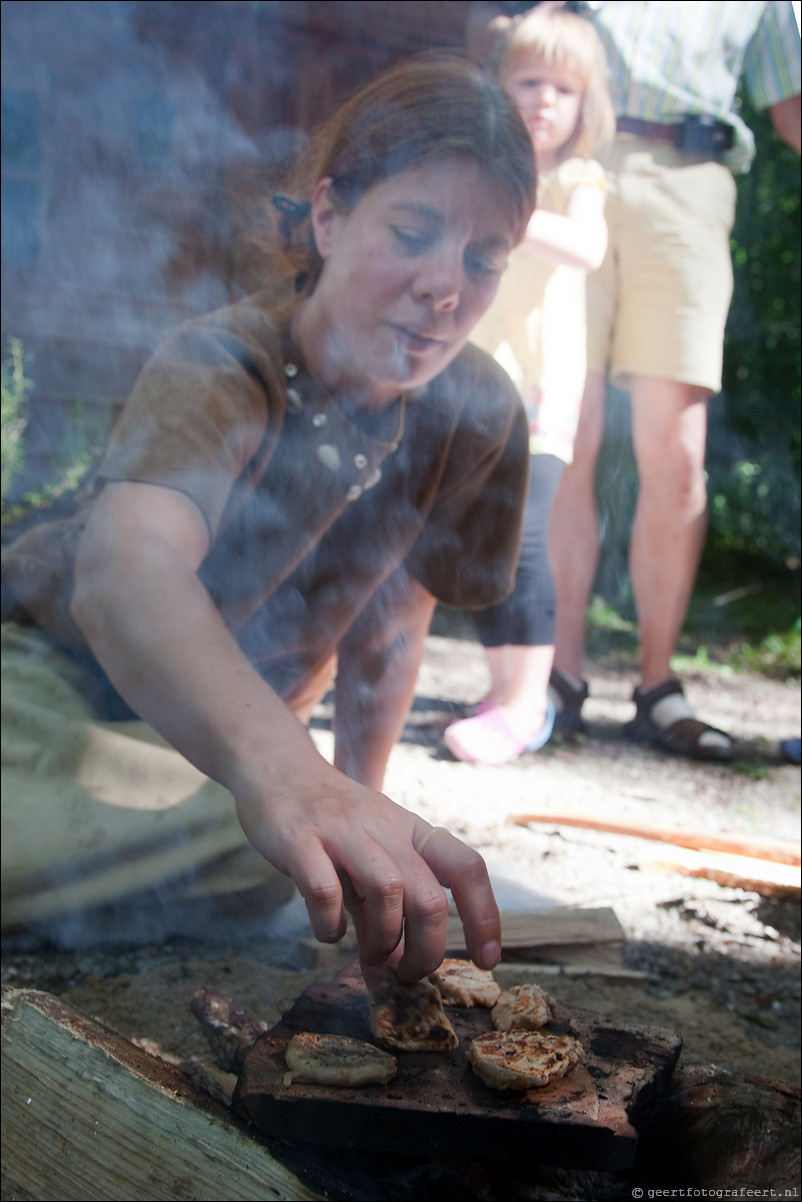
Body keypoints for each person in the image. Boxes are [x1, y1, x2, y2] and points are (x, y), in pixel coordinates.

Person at [0, 55, 537, 983]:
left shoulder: (475, 410)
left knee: (287, 864)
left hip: (217, 771)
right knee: (261, 853)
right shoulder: (221, 361)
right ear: (328, 216)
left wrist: (356, 812)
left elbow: (391, 629)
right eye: (413, 232)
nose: (446, 287)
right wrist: (290, 779)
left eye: (484, 259)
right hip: (54, 697)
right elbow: (126, 574)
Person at [547, 0, 801, 759]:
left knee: (678, 453)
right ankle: (553, 680)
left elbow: (792, 109)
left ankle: (658, 687)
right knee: (566, 427)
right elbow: (509, 37)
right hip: (570, 164)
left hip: (691, 183)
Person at [444, 6, 614, 765]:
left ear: (586, 107)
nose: (546, 99)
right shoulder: (482, 169)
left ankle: (528, 702)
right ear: (499, 86)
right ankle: (502, 685)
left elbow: (584, 247)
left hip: (544, 389)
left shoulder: (578, 179)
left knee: (527, 539)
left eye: (564, 89)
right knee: (479, 537)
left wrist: (512, 215)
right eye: (530, 80)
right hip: (477, 380)